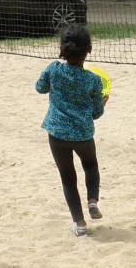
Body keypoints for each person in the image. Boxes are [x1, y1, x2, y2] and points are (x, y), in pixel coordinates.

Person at [35, 25, 108, 237]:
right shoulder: (93, 80)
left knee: (68, 178)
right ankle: (92, 201)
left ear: (63, 49)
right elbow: (96, 113)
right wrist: (102, 103)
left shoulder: (54, 69)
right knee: (91, 165)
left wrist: (51, 78)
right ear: (90, 50)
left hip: (57, 133)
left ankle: (80, 224)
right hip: (83, 133)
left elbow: (39, 88)